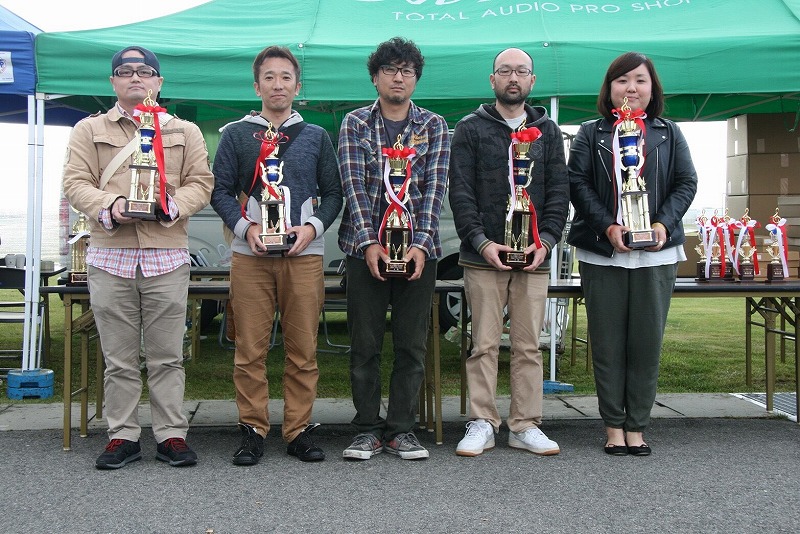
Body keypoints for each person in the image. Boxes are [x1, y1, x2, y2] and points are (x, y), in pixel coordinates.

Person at [62, 46, 214, 469]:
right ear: (112, 81)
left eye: (144, 71)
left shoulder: (185, 130)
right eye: (125, 71)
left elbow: (201, 183)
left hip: (166, 255)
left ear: (158, 82)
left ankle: (171, 435)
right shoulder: (88, 129)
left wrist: (172, 205)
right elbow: (75, 182)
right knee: (119, 359)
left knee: (168, 355)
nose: (135, 77)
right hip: (110, 257)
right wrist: (111, 205)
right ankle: (123, 435)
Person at [210, 45, 342, 465]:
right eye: (269, 77)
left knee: (302, 350)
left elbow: (334, 193)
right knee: (250, 349)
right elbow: (219, 191)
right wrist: (246, 228)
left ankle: (298, 430)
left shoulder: (316, 136)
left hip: (303, 256)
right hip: (250, 257)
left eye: (286, 77)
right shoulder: (235, 134)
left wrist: (312, 227)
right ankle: (252, 429)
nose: (278, 84)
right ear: (257, 86)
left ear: (297, 86)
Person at [566, 52, 697, 456]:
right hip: (602, 254)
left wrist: (663, 225)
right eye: (622, 80)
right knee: (607, 344)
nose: (631, 88)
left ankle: (637, 424)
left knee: (645, 344)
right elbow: (578, 183)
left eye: (640, 80)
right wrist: (608, 225)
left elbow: (686, 182)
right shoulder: (591, 133)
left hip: (656, 255)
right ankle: (613, 426)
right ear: (609, 89)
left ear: (652, 88)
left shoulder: (668, 133)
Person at [449, 48, 569, 457]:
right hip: (482, 256)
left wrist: (546, 241)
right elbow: (460, 191)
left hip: (533, 255)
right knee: (483, 344)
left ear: (532, 80)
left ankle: (525, 425)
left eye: (521, 71)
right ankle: (482, 422)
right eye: (505, 71)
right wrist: (481, 242)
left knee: (528, 346)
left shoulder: (548, 132)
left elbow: (559, 191)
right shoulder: (470, 128)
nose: (513, 78)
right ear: (493, 79)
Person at [338, 37, 450, 461]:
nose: (398, 77)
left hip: (420, 252)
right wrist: (369, 242)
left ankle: (402, 429)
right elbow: (353, 186)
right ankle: (367, 428)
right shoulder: (355, 123)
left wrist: (420, 245)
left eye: (407, 70)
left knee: (411, 345)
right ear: (375, 77)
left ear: (416, 79)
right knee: (364, 344)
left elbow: (435, 189)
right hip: (364, 249)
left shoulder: (434, 126)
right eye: (390, 69)